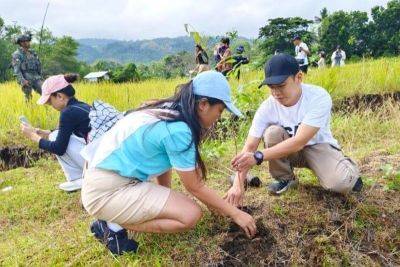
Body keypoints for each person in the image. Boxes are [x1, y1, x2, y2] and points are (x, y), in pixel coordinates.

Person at [80, 71, 257, 255]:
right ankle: (110, 224)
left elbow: (163, 160)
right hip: (106, 191)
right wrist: (235, 213)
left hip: (107, 178)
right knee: (190, 215)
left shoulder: (169, 110)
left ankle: (112, 216)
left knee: (178, 206)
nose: (218, 118)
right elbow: (194, 186)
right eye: (219, 110)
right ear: (203, 104)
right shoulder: (179, 130)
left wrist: (166, 195)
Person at [225, 54, 363, 207]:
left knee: (339, 184)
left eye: (281, 85)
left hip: (318, 148)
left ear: (299, 77)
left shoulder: (318, 97)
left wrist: (258, 156)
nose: (276, 93)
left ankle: (347, 169)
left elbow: (299, 141)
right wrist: (238, 184)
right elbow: (249, 147)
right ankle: (285, 179)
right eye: (271, 87)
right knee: (272, 133)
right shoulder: (267, 107)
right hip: (289, 152)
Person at [20, 74, 91, 192]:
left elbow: (59, 148)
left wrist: (34, 137)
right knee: (53, 134)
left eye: (49, 101)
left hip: (96, 163)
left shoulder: (67, 112)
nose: (50, 105)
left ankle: (80, 179)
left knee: (55, 137)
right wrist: (46, 132)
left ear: (59, 96)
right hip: (103, 159)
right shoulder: (82, 106)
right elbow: (71, 130)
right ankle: (83, 177)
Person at [12, 33, 43, 101]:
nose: (28, 43)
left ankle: (46, 110)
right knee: (28, 97)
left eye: (28, 41)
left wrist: (41, 76)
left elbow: (38, 66)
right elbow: (17, 70)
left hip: (36, 77)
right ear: (21, 43)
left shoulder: (33, 53)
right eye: (25, 41)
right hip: (26, 78)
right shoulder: (17, 54)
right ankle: (28, 110)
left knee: (45, 92)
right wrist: (22, 81)